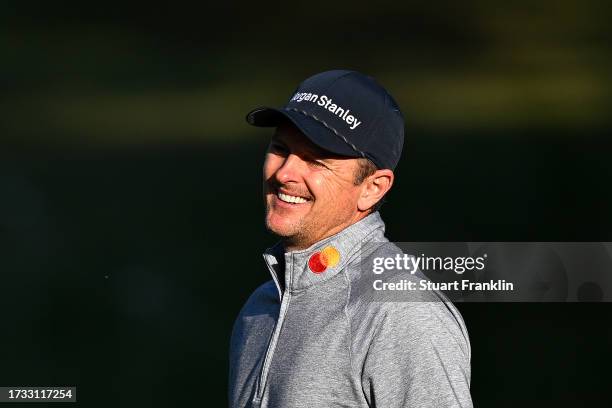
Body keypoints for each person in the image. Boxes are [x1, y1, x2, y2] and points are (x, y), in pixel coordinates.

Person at [229, 70, 472, 408]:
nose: (284, 173)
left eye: (316, 160)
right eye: (280, 148)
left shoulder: (401, 314)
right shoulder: (260, 307)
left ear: (372, 188)